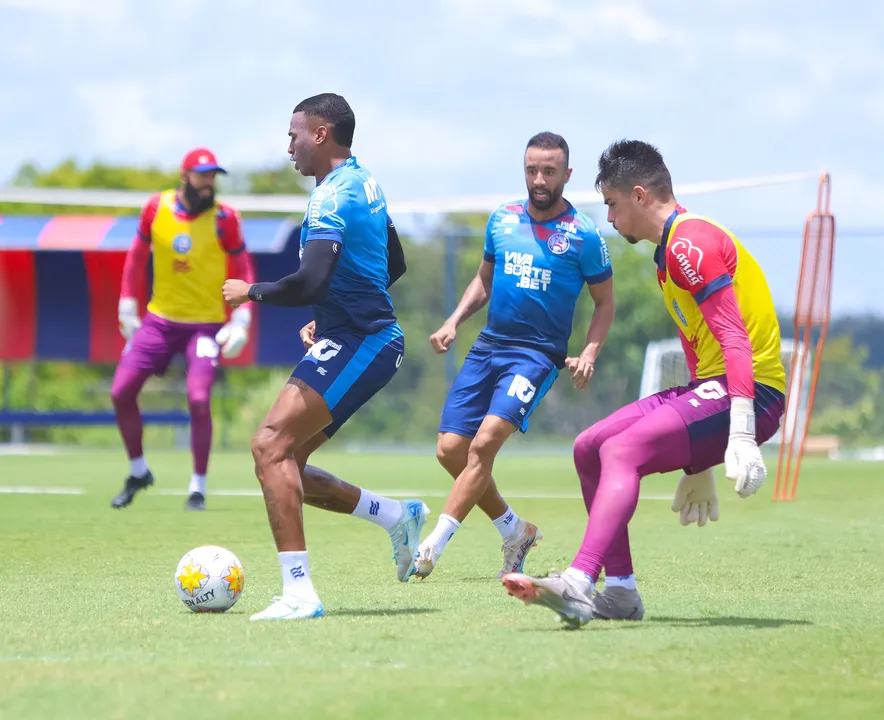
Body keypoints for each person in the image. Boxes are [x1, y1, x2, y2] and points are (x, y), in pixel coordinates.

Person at [501, 140, 787, 628]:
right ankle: (620, 593)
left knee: (621, 451)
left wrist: (739, 434)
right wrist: (700, 463)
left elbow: (735, 340)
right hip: (716, 388)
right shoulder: (669, 253)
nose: (609, 219)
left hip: (752, 392)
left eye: (611, 204)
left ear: (638, 195)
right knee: (590, 446)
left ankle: (578, 581)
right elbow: (700, 347)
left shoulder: (689, 243)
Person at [222, 93, 428, 621]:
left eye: (294, 134)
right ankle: (395, 516)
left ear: (320, 135)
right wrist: (336, 312)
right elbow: (395, 262)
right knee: (285, 461)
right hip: (355, 334)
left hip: (367, 341)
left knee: (268, 445)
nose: (288, 145)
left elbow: (308, 280)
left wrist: (251, 291)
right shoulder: (365, 182)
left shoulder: (331, 197)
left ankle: (299, 595)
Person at [414, 132, 616, 580]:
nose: (539, 179)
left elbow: (605, 302)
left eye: (548, 171)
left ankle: (435, 542)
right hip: (488, 347)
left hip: (536, 356)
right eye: (531, 170)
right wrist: (453, 322)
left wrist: (589, 352)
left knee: (483, 443)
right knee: (450, 451)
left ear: (566, 174)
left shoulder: (583, 234)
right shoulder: (502, 220)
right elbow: (484, 280)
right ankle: (514, 529)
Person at [111, 147, 256, 512]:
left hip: (205, 326)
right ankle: (138, 471)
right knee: (121, 392)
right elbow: (136, 258)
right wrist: (128, 304)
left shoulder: (226, 218)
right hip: (159, 322)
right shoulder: (155, 209)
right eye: (202, 175)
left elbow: (243, 265)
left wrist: (242, 318)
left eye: (213, 176)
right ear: (185, 176)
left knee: (198, 398)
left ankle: (198, 487)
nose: (209, 183)